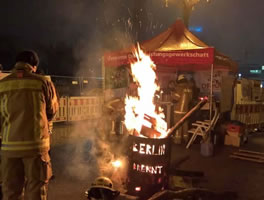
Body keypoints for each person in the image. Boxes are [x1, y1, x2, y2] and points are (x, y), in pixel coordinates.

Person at [0, 50, 59, 200]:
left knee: (11, 191)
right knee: (36, 191)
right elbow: (52, 112)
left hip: (9, 149)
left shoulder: (2, 85)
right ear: (34, 66)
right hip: (36, 148)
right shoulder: (43, 82)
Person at [171, 74, 193, 144]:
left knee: (178, 125)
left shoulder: (179, 87)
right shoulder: (189, 88)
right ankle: (186, 139)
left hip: (178, 110)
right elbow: (190, 99)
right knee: (185, 125)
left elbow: (176, 98)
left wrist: (172, 94)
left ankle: (177, 140)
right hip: (186, 110)